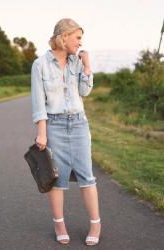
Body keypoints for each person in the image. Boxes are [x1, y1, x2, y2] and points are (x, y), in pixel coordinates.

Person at [31, 18, 101, 246]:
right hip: (55, 125)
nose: (81, 43)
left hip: (79, 124)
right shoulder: (40, 64)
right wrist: (42, 132)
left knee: (87, 177)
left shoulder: (77, 62)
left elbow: (85, 91)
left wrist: (87, 66)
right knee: (57, 179)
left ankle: (95, 223)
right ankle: (59, 223)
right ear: (64, 36)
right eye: (78, 37)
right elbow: (39, 102)